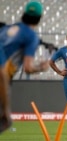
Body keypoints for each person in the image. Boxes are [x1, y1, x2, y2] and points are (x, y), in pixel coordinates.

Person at [0, 0, 49, 134]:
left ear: (23, 14)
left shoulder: (6, 29)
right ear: (39, 18)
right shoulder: (31, 36)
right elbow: (27, 68)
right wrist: (41, 67)